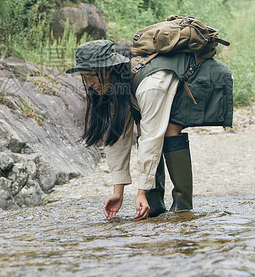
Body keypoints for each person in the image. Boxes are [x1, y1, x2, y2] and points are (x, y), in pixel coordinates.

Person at [66, 39, 193, 220]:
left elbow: (152, 138)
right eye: (84, 77)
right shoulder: (117, 83)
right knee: (142, 128)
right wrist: (118, 192)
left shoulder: (149, 85)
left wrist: (141, 192)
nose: (88, 83)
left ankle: (183, 208)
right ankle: (154, 205)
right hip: (160, 92)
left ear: (108, 69)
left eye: (91, 75)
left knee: (168, 129)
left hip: (189, 86)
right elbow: (117, 136)